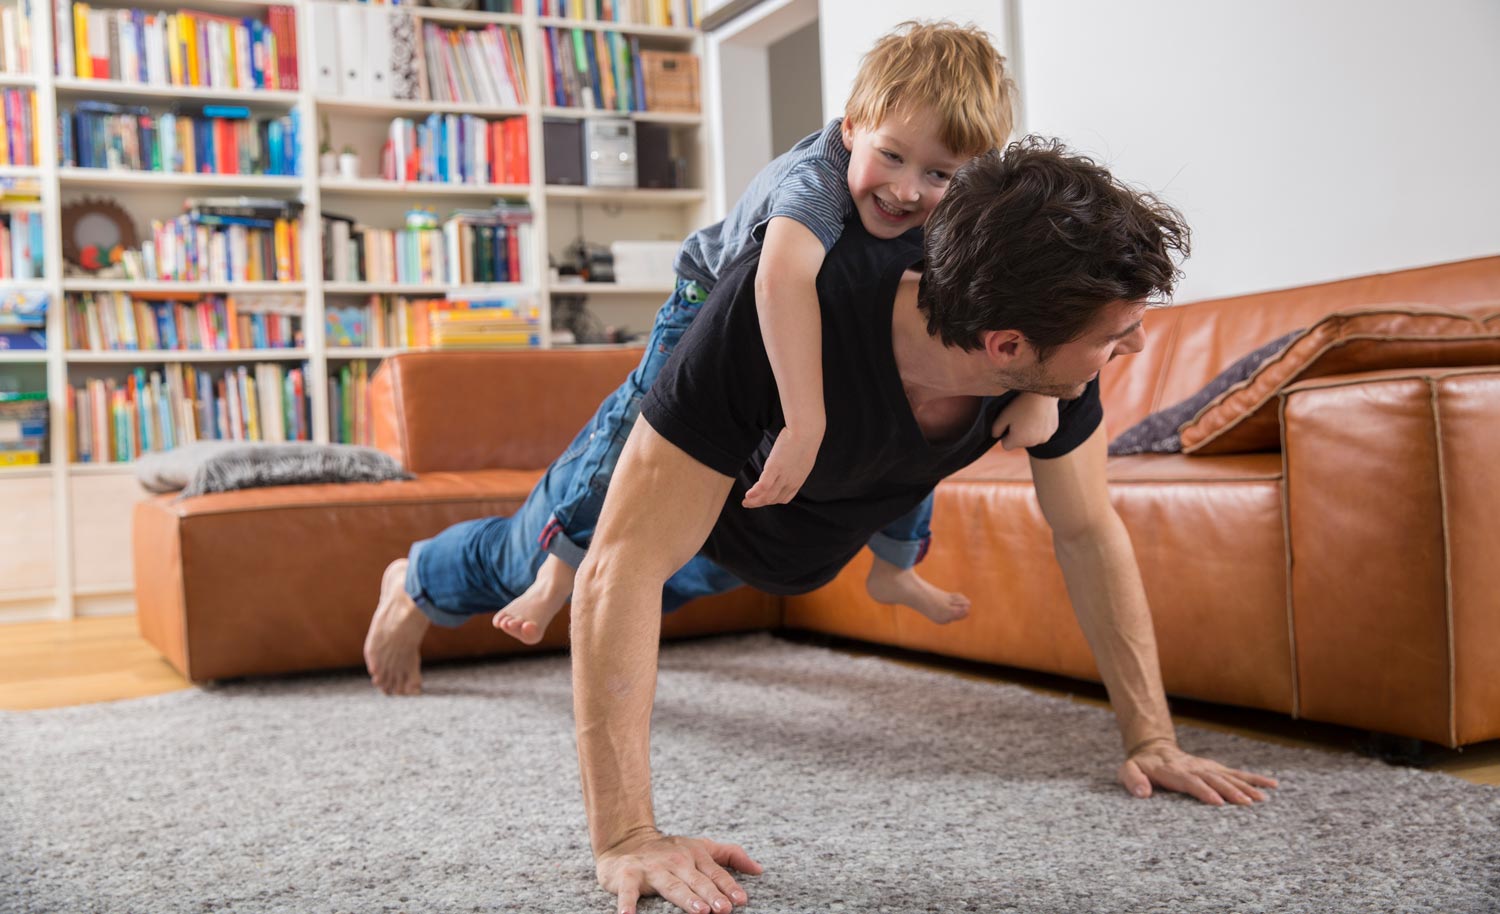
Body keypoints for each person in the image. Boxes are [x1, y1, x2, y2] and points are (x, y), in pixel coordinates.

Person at [369, 140, 1280, 914]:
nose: (1133, 348)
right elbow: (622, 567)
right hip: (687, 500)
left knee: (701, 587)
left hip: (776, 546)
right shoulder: (770, 321)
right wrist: (628, 837)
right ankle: (412, 580)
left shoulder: (1053, 376)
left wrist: (1151, 737)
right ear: (1003, 346)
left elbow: (1087, 532)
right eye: (1117, 335)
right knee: (512, 559)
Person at [489, 20, 1059, 647]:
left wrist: (1042, 389)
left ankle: (896, 566)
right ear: (850, 129)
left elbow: (1038, 293)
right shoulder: (814, 181)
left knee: (913, 419)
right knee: (632, 428)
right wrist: (804, 420)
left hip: (831, 310)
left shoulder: (960, 203)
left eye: (939, 175)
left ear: (974, 173)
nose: (905, 189)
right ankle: (560, 567)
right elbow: (780, 281)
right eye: (891, 156)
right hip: (708, 302)